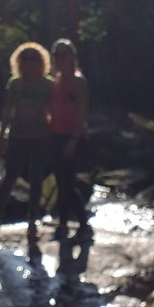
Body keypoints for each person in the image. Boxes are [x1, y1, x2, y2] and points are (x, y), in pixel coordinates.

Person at [0, 42, 54, 257]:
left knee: (36, 181)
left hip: (41, 138)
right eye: (25, 58)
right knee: (9, 179)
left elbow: (54, 111)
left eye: (34, 58)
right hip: (18, 137)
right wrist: (1, 135)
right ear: (19, 62)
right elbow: (8, 110)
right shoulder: (15, 84)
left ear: (41, 61)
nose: (29, 62)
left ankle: (32, 224)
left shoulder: (48, 84)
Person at [48, 38, 91, 242]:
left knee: (68, 183)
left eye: (63, 54)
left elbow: (82, 112)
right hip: (56, 135)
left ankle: (83, 225)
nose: (59, 58)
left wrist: (73, 140)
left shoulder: (77, 80)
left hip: (72, 137)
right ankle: (63, 223)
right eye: (56, 54)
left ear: (71, 56)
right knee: (60, 181)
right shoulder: (56, 79)